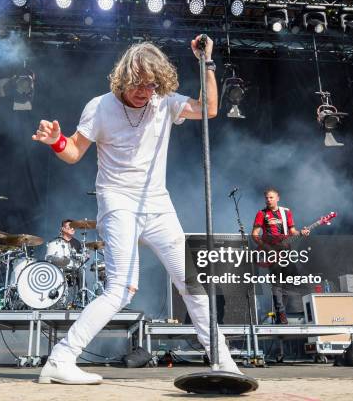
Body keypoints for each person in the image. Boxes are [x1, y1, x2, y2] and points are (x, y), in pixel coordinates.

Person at [32, 35, 243, 385]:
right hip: (118, 202)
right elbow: (72, 152)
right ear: (123, 79)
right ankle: (60, 359)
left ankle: (223, 362)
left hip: (158, 205)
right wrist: (56, 139)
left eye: (151, 85)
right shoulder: (99, 107)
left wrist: (206, 63)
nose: (144, 93)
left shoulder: (164, 103)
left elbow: (209, 108)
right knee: (120, 289)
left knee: (192, 284)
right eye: (138, 85)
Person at [251, 187, 309, 324]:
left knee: (288, 281)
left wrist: (302, 232)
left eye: (271, 197)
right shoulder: (261, 213)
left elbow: (292, 231)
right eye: (266, 198)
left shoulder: (286, 212)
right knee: (277, 282)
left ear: (278, 198)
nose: (268, 200)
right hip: (270, 250)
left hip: (285, 250)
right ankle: (281, 312)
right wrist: (267, 248)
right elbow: (255, 234)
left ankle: (281, 312)